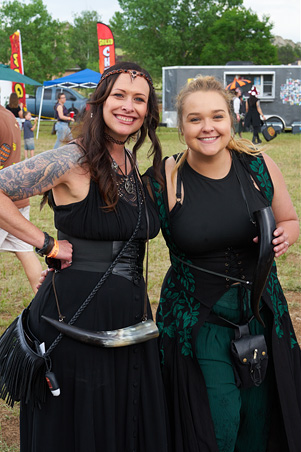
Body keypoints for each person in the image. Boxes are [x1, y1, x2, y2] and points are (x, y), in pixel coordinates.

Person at [0, 62, 170, 452]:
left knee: (122, 418)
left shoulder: (130, 164)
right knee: (79, 424)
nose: (129, 106)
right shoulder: (72, 160)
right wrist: (44, 242)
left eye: (139, 99)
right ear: (100, 101)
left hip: (130, 318)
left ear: (148, 111)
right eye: (119, 96)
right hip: (74, 318)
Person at [146, 76, 301, 452]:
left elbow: (292, 221)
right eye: (195, 119)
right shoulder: (164, 177)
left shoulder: (258, 166)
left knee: (259, 420)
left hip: (262, 311)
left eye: (217, 116)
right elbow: (124, 230)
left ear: (230, 119)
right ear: (180, 126)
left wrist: (285, 235)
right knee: (219, 421)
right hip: (198, 321)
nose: (207, 127)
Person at [0, 105, 43, 294]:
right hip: (17, 198)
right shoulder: (8, 115)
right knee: (25, 252)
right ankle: (47, 305)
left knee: (25, 251)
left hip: (3, 203)